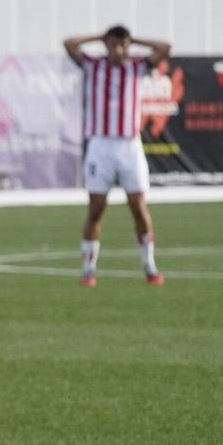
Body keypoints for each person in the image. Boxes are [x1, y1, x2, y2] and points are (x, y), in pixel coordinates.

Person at [63, 24, 169, 286]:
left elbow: (165, 48)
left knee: (138, 206)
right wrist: (98, 36)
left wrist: (135, 39)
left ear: (127, 45)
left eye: (122, 44)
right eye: (112, 43)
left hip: (129, 146)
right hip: (101, 145)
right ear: (106, 44)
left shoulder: (138, 66)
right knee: (96, 208)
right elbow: (69, 44)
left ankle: (149, 265)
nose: (117, 49)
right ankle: (88, 269)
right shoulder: (92, 65)